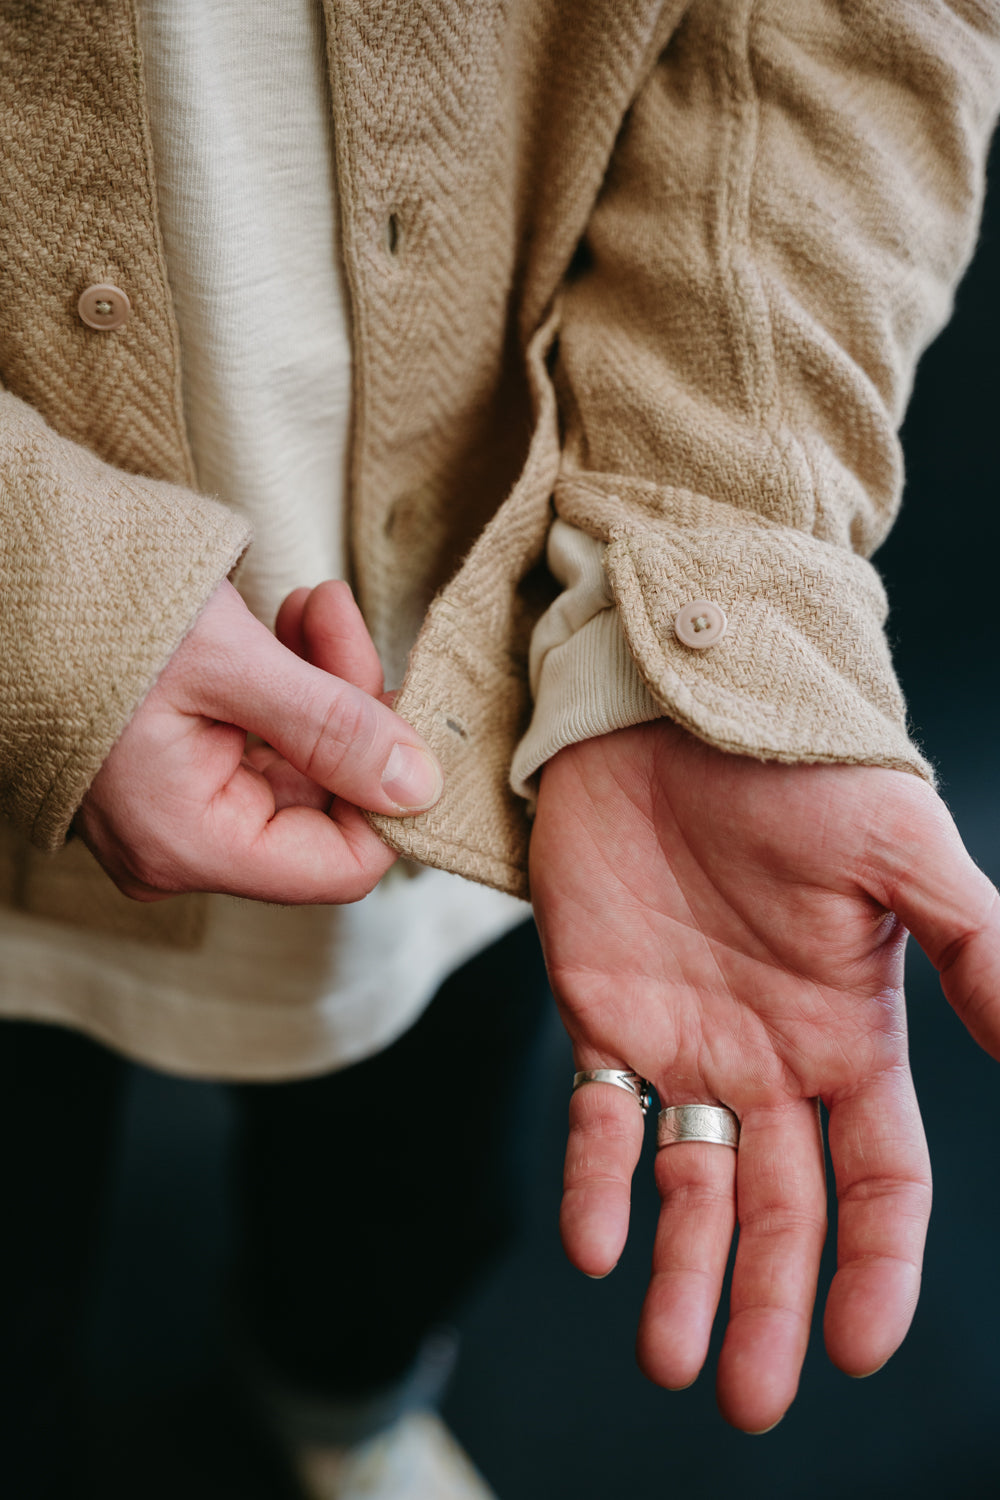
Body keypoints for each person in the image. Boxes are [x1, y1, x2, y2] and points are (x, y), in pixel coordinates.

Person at [2, 0, 1000, 1492]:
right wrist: (41, 603)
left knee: (406, 1195)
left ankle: (342, 1398)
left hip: (535, 702)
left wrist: (714, 582)